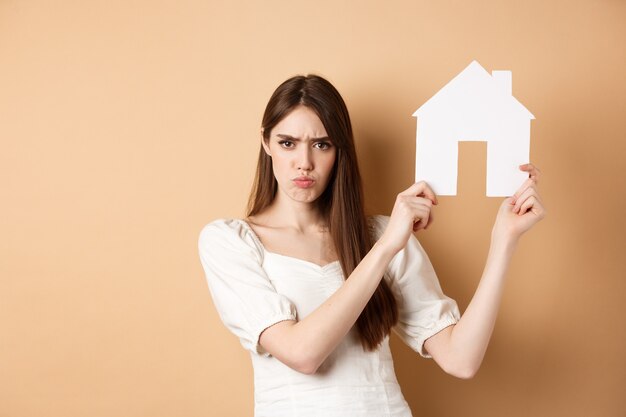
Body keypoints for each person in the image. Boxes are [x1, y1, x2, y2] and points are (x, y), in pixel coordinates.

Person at [197, 74, 546, 417]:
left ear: (339, 150)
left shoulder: (380, 234)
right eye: (288, 143)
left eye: (322, 144)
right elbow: (302, 354)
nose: (304, 162)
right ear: (266, 142)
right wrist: (386, 247)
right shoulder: (231, 242)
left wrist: (504, 240)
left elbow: (461, 359)